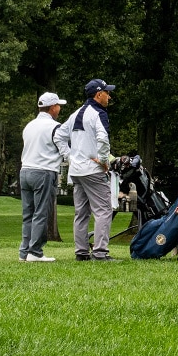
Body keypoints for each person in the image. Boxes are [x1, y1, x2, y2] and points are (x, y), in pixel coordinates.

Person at [66, 79, 117, 262]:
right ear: (98, 94)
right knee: (103, 210)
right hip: (93, 170)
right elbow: (103, 139)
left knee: (81, 212)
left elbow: (58, 136)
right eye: (107, 93)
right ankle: (100, 252)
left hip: (76, 171)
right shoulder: (98, 114)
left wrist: (69, 157)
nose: (109, 97)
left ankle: (81, 252)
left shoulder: (75, 114)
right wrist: (104, 161)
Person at [19, 92, 71, 262]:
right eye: (58, 105)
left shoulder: (29, 126)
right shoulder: (55, 127)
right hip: (44, 171)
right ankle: (35, 252)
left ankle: (24, 252)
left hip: (25, 171)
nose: (59, 108)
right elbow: (65, 152)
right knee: (41, 213)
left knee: (28, 214)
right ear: (52, 108)